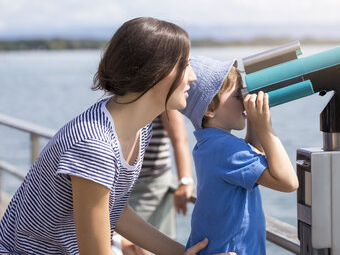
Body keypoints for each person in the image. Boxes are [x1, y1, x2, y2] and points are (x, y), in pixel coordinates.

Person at [0, 18, 229, 255]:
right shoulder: (95, 147)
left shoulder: (139, 129)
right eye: (185, 65)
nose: (192, 76)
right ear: (155, 72)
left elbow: (116, 212)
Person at [180, 56, 299, 255]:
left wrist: (255, 121)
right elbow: (288, 182)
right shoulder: (225, 147)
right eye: (238, 96)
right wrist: (265, 127)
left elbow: (254, 155)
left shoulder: (210, 144)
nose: (244, 101)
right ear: (210, 108)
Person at [129, 110, 194, 238]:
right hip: (126, 183)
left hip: (152, 184)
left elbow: (179, 139)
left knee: (133, 240)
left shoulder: (163, 94)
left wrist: (185, 181)